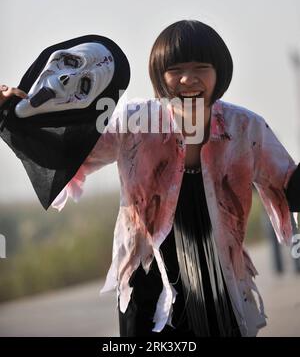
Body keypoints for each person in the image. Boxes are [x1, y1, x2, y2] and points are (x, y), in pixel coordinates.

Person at [1, 20, 299, 337]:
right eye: (176, 69)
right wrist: (13, 114)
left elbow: (290, 186)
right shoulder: (134, 122)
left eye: (202, 67)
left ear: (220, 72)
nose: (188, 78)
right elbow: (69, 152)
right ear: (159, 75)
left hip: (222, 282)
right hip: (146, 283)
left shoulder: (246, 127)